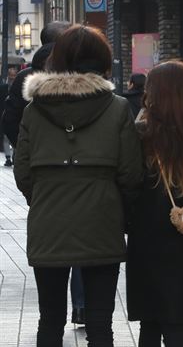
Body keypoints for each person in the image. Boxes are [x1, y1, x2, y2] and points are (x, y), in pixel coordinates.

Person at [13, 25, 143, 346]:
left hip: (49, 223)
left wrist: (45, 196)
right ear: (103, 62)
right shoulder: (116, 108)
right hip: (102, 222)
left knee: (50, 320)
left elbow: (23, 171)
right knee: (100, 323)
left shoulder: (34, 110)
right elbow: (130, 173)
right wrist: (119, 210)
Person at [126, 61, 183, 347]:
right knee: (176, 323)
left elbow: (127, 184)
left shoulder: (140, 136)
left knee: (149, 323)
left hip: (144, 239)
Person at [2, 21, 71, 147]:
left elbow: (10, 120)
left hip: (34, 158)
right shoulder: (78, 73)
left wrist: (26, 149)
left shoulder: (24, 77)